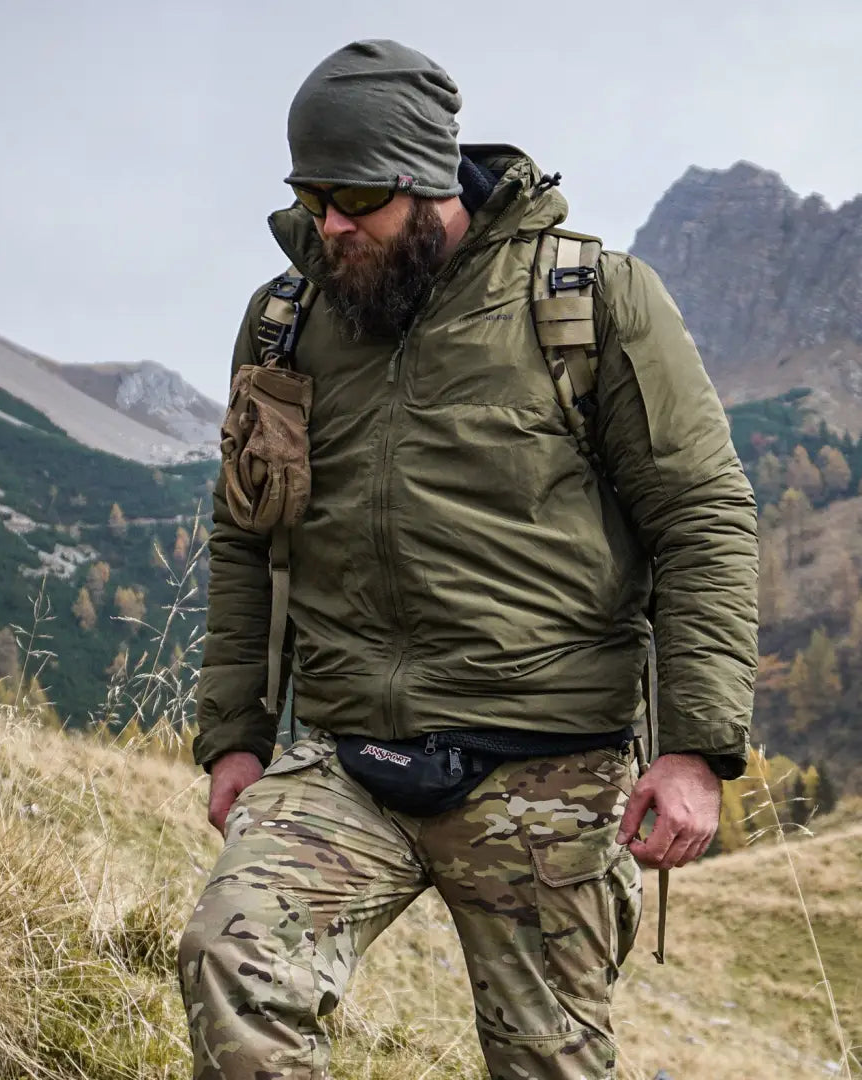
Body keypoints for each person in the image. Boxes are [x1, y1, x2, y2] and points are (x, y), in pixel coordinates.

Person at [178, 38, 758, 1080]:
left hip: (549, 764)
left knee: (549, 1063)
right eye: (313, 195)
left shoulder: (593, 300)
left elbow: (703, 517)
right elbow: (244, 534)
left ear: (429, 177)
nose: (333, 225)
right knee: (233, 960)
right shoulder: (284, 323)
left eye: (357, 195)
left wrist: (696, 749)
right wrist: (236, 735)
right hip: (346, 756)